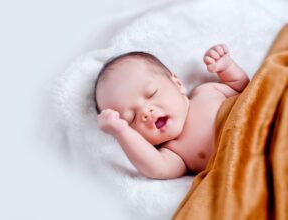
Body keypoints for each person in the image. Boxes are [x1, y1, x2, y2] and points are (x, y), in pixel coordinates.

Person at [94, 44, 249, 179]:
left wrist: (227, 67)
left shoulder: (207, 91)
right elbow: (156, 169)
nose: (146, 113)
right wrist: (121, 132)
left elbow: (243, 89)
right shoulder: (175, 153)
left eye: (152, 93)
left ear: (177, 83)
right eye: (131, 118)